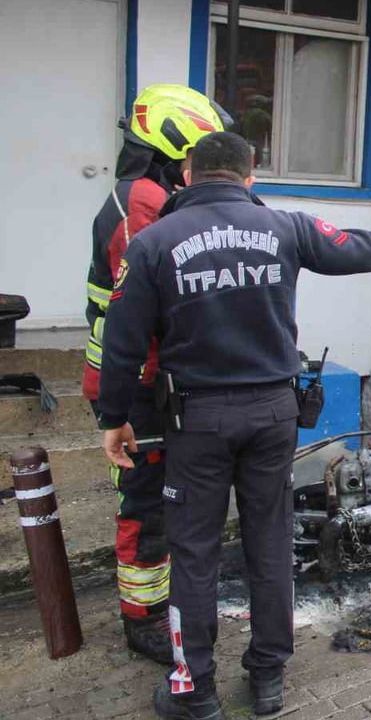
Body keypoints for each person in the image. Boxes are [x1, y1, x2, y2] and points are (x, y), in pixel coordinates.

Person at [96, 132, 371, 719]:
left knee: (194, 553)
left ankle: (195, 692)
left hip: (199, 420)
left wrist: (113, 418)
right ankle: (268, 678)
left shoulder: (154, 242)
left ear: (187, 175)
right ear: (250, 178)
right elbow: (367, 249)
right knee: (269, 544)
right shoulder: (285, 227)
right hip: (272, 415)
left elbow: (122, 343)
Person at [83, 84, 229, 664]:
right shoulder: (141, 202)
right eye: (195, 160)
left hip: (153, 381)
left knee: (168, 500)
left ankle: (165, 602)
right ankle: (142, 620)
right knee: (145, 506)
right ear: (173, 151)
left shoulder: (152, 194)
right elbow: (149, 303)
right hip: (134, 387)